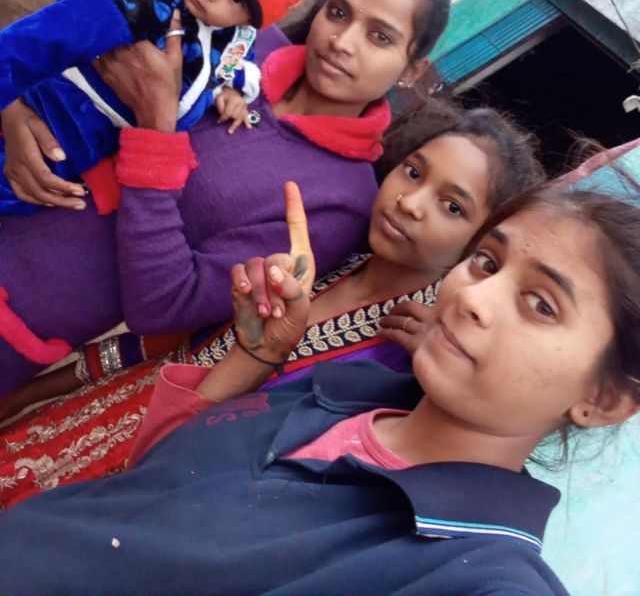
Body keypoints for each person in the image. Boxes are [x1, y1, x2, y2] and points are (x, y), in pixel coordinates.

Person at [1, 183, 639, 595]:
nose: (475, 297)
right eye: (487, 262)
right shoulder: (343, 392)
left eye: (541, 304)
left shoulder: (475, 577)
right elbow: (154, 483)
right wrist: (256, 355)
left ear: (605, 401)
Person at [0, 105, 542, 507]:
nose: (411, 203)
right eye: (415, 172)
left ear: (481, 244)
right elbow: (170, 343)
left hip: (145, 496)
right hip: (77, 424)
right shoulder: (325, 258)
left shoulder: (408, 360)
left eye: (452, 206)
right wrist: (33, 393)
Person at [0, 0, 450, 395]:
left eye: (380, 37)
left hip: (21, 309)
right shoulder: (242, 39)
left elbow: (166, 304)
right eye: (338, 12)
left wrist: (156, 127)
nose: (342, 41)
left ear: (412, 69)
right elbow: (80, 36)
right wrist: (13, 106)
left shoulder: (340, 201)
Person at [0, 0, 349, 215]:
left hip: (74, 157)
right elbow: (33, 42)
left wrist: (230, 91)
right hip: (43, 110)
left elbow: (230, 66)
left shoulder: (230, 38)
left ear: (251, 19)